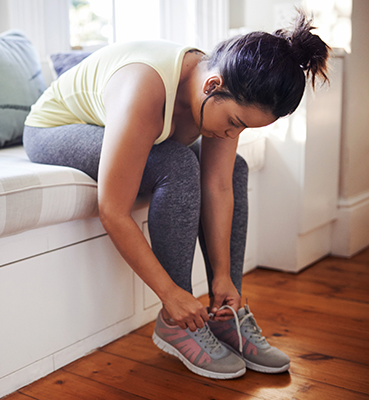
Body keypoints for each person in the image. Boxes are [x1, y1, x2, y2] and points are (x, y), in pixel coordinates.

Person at [23, 10, 330, 379]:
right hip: (53, 129)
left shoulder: (222, 92)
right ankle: (179, 322)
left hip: (111, 126)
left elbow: (217, 184)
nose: (234, 134)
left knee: (235, 168)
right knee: (178, 164)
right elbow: (113, 210)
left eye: (244, 128)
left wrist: (223, 277)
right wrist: (171, 294)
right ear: (212, 86)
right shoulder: (145, 87)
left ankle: (223, 311)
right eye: (235, 123)